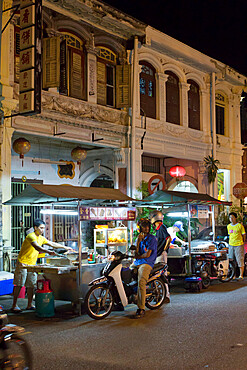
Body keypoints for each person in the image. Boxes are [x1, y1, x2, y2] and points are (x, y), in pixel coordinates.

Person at [12, 218, 73, 313]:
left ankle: (29, 305)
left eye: (44, 228)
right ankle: (14, 305)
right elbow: (37, 247)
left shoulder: (41, 238)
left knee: (31, 285)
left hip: (32, 264)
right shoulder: (30, 236)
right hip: (22, 263)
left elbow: (52, 243)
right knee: (20, 284)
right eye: (41, 228)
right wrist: (49, 251)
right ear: (35, 228)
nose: (42, 230)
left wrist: (65, 247)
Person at [131, 218, 157, 319]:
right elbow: (136, 252)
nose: (146, 228)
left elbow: (147, 254)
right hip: (137, 262)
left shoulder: (152, 239)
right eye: (144, 226)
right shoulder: (139, 238)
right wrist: (138, 242)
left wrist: (138, 257)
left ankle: (141, 308)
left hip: (147, 263)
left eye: (147, 226)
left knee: (141, 282)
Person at [149, 210, 171, 302]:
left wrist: (163, 250)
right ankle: (159, 294)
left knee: (162, 274)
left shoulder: (162, 227)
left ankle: (166, 295)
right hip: (158, 254)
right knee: (157, 274)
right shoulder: (158, 229)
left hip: (161, 255)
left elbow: (168, 238)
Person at [227, 212, 246, 280]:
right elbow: (229, 235)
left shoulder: (240, 226)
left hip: (239, 245)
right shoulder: (228, 226)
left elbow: (244, 235)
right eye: (230, 218)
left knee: (240, 259)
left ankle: (241, 275)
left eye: (232, 217)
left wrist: (242, 242)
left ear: (235, 218)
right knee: (231, 260)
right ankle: (233, 275)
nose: (231, 219)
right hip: (231, 245)